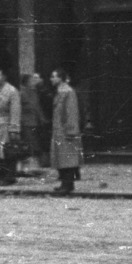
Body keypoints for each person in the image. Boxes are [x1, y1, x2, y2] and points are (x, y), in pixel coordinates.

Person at [49, 68, 81, 196]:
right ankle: (64, 183)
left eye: (53, 76)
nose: (51, 79)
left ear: (60, 78)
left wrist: (71, 130)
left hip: (66, 131)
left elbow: (71, 111)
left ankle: (68, 184)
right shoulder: (60, 91)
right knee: (62, 159)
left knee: (67, 158)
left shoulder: (68, 92)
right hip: (59, 131)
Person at [0, 68, 22, 185]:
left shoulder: (12, 91)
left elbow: (15, 111)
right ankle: (1, 176)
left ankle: (10, 176)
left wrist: (14, 129)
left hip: (6, 123)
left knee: (8, 151)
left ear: (4, 76)